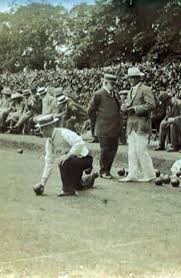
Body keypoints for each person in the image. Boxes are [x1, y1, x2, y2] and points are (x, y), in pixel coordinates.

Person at [33, 115, 98, 197]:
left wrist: (67, 155)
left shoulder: (63, 133)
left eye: (42, 128)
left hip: (85, 159)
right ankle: (90, 178)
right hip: (73, 162)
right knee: (77, 186)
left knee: (63, 161)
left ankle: (67, 190)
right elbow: (49, 162)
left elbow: (80, 143)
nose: (41, 131)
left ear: (50, 126)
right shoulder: (49, 143)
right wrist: (42, 183)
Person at [120, 67, 156, 182]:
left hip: (142, 124)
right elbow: (128, 105)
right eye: (129, 78)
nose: (131, 80)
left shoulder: (146, 89)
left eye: (133, 77)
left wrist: (135, 109)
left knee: (141, 150)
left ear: (139, 78)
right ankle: (132, 174)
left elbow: (151, 105)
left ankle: (149, 174)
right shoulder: (130, 91)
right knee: (132, 151)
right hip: (131, 125)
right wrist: (124, 107)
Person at [88, 73, 121, 179]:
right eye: (111, 84)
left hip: (114, 128)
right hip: (103, 128)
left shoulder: (115, 94)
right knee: (105, 150)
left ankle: (108, 170)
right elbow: (91, 110)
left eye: (114, 84)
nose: (113, 86)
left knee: (113, 149)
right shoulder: (98, 94)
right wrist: (96, 122)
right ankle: (103, 171)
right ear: (105, 83)